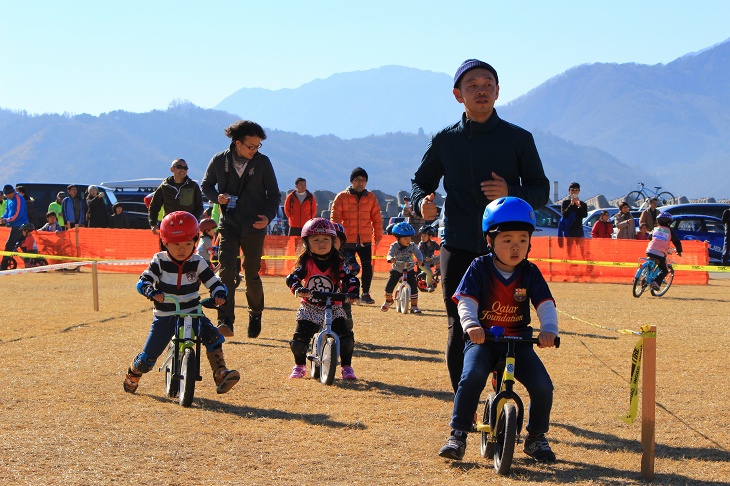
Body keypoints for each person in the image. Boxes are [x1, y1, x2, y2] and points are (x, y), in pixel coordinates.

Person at [410, 59, 550, 393]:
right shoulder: (445, 140)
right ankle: (466, 404)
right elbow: (419, 183)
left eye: (488, 83)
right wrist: (422, 204)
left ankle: (501, 398)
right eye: (472, 85)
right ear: (458, 95)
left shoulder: (519, 139)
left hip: (507, 256)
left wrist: (510, 192)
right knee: (460, 328)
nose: (481, 90)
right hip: (457, 246)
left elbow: (541, 190)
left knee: (508, 327)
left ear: (498, 91)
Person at [438, 197, 559, 462]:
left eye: (522, 240)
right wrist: (471, 326)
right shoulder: (479, 268)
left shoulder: (530, 272)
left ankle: (536, 437)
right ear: (490, 241)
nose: (516, 247)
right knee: (470, 378)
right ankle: (457, 434)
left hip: (519, 341)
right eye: (507, 240)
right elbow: (466, 302)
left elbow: (546, 305)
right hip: (483, 341)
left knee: (543, 386)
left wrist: (549, 329)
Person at [122, 211, 240, 395]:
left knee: (213, 337)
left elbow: (215, 282)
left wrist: (218, 294)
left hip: (193, 312)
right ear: (165, 242)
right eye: (176, 244)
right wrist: (151, 291)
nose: (182, 249)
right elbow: (142, 281)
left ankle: (221, 373)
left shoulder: (197, 262)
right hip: (165, 315)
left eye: (187, 243)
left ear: (195, 240)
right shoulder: (159, 261)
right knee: (148, 357)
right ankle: (134, 373)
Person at [201, 120, 281, 338]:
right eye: (251, 146)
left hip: (255, 226)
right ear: (238, 143)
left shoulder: (263, 163)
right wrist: (216, 198)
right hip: (228, 225)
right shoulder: (219, 160)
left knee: (252, 273)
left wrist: (268, 217)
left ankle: (255, 314)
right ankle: (225, 320)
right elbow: (206, 185)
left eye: (258, 146)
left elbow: (274, 195)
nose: (255, 151)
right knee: (227, 272)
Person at [285, 218, 360, 380]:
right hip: (310, 307)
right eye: (316, 240)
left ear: (333, 241)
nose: (321, 243)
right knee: (299, 341)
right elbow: (293, 277)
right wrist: (298, 288)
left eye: (326, 239)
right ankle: (299, 365)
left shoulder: (338, 262)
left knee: (345, 339)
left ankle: (347, 367)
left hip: (333, 307)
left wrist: (353, 292)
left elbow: (350, 278)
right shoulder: (306, 262)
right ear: (306, 243)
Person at [330, 167, 383, 305]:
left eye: (364, 180)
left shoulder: (370, 197)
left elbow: (376, 217)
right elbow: (335, 218)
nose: (361, 183)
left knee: (367, 267)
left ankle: (365, 294)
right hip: (346, 241)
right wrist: (335, 237)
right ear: (352, 181)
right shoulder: (342, 197)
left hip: (365, 239)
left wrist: (378, 234)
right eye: (358, 180)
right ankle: (347, 291)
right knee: (351, 268)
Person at [149, 159, 204, 233]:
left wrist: (192, 221)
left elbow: (199, 207)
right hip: (169, 225)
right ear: (172, 169)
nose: (183, 170)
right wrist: (153, 224)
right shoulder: (164, 186)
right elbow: (154, 206)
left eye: (185, 168)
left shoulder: (193, 186)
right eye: (179, 167)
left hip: (188, 227)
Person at [381, 222, 423, 314]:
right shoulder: (394, 246)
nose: (408, 240)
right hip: (397, 269)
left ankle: (414, 306)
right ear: (397, 238)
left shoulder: (412, 246)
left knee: (413, 288)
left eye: (409, 238)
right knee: (389, 287)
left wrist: (420, 259)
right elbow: (390, 254)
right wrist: (390, 258)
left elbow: (418, 253)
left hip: (409, 269)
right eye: (405, 238)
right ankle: (389, 301)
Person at [645, 212, 683, 291]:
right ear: (669, 222)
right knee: (664, 270)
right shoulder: (669, 231)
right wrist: (679, 251)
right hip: (660, 252)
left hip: (650, 250)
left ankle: (643, 279)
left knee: (650, 264)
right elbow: (676, 241)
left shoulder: (655, 229)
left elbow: (649, 237)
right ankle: (656, 282)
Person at [333, 222, 359, 328]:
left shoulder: (346, 255)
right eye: (326, 239)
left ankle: (347, 331)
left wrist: (350, 268)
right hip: (322, 292)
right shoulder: (317, 256)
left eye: (334, 241)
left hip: (343, 292)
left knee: (346, 314)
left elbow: (356, 267)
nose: (330, 244)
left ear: (342, 242)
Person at [1, 184, 29, 270]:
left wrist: (6, 220)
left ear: (11, 193)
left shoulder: (19, 198)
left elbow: (18, 214)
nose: (7, 196)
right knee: (18, 245)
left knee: (10, 244)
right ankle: (28, 261)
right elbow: (7, 212)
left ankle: (4, 266)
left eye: (8, 195)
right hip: (14, 225)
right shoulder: (9, 200)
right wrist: (2, 218)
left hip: (20, 225)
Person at [418, 224, 440, 291]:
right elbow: (420, 254)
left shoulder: (433, 243)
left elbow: (439, 248)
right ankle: (429, 286)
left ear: (430, 236)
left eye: (424, 236)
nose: (422, 238)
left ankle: (438, 271)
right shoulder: (421, 244)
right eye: (421, 236)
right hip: (423, 263)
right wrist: (426, 258)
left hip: (431, 260)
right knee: (429, 273)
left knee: (441, 258)